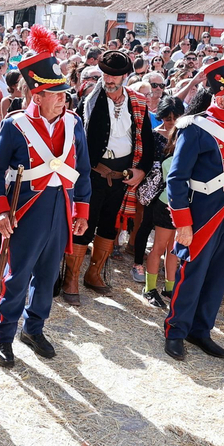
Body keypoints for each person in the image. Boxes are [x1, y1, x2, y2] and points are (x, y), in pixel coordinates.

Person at [0, 26, 92, 366]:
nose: (63, 97)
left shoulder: (74, 124)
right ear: (37, 96)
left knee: (48, 275)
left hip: (60, 208)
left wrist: (82, 212)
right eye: (56, 92)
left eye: (64, 92)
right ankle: (4, 334)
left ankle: (34, 327)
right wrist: (0, 210)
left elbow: (83, 171)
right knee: (17, 276)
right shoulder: (16, 125)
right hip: (26, 210)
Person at [162, 43, 224, 359]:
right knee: (191, 275)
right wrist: (183, 223)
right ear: (221, 96)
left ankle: (200, 331)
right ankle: (176, 331)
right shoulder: (197, 127)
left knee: (218, 277)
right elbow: (176, 179)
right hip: (204, 214)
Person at [74, 51, 155, 301]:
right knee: (84, 223)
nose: (108, 80)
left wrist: (141, 169)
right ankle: (70, 279)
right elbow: (78, 139)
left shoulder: (138, 102)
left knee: (110, 225)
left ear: (126, 77)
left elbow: (147, 140)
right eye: (106, 74)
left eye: (114, 76)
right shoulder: (90, 100)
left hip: (123, 177)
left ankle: (94, 274)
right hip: (93, 174)